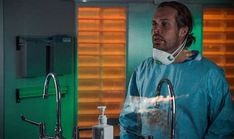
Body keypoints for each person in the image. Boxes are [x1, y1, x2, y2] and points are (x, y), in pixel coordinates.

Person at [119, 1, 234, 139]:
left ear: (183, 31)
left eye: (164, 24)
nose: (156, 30)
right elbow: (129, 121)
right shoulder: (143, 71)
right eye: (154, 24)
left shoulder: (210, 74)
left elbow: (223, 128)